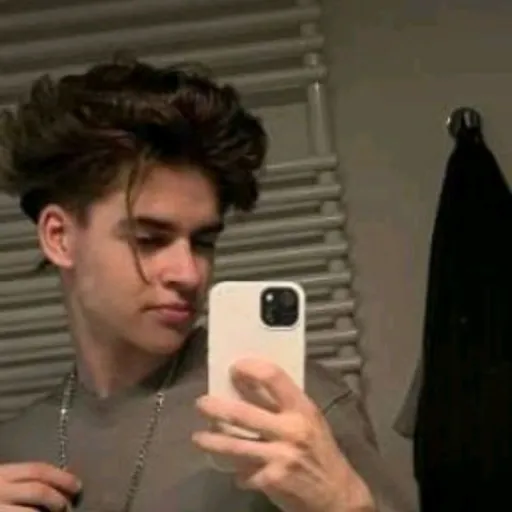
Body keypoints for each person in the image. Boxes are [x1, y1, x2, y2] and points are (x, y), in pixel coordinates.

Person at [0, 55, 414, 512]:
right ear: (59, 237)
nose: (189, 273)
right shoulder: (15, 447)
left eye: (203, 241)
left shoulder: (290, 414)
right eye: (149, 239)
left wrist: (346, 504)